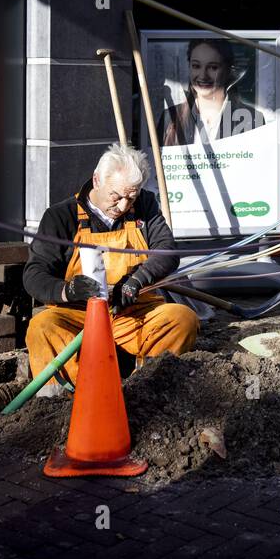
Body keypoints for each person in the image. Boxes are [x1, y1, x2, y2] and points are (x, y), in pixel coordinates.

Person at [22, 142, 198, 391]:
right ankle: (69, 401)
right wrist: (68, 291)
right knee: (41, 328)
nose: (124, 206)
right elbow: (34, 275)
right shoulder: (61, 216)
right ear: (96, 180)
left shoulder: (145, 206)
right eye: (116, 196)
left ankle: (146, 389)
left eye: (131, 197)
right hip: (77, 314)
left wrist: (138, 280)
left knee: (182, 319)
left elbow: (166, 251)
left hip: (133, 313)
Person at [158, 38, 266, 146]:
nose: (203, 76)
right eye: (196, 66)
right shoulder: (170, 118)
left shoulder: (253, 120)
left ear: (228, 70)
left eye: (213, 67)